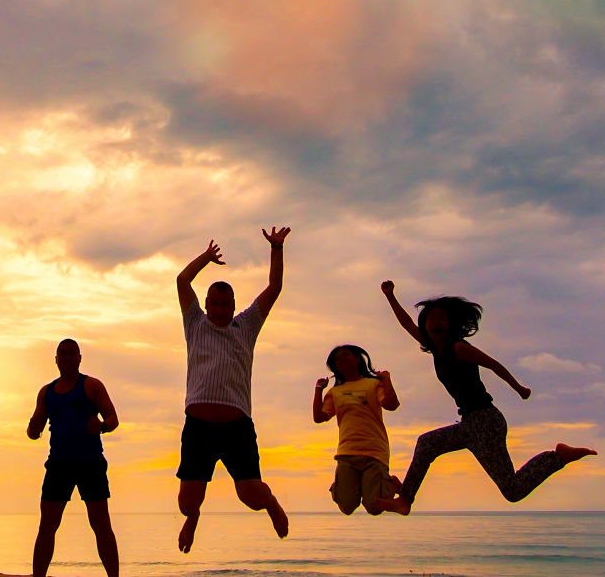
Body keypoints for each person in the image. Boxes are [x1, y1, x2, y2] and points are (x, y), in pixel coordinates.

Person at [376, 281, 595, 514]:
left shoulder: (459, 348)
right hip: (473, 423)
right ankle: (406, 497)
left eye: (441, 318)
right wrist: (390, 296)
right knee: (507, 487)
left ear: (450, 324)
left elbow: (493, 365)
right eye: (431, 318)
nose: (436, 322)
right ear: (425, 324)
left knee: (508, 488)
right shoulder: (434, 347)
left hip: (485, 421)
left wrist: (519, 388)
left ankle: (558, 457)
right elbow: (407, 323)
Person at [173, 228, 291, 553]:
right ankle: (193, 518)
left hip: (236, 428)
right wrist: (206, 258)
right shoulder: (195, 323)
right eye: (214, 304)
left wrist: (277, 248)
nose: (220, 309)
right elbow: (182, 281)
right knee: (187, 504)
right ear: (206, 304)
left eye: (225, 305)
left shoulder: (246, 326)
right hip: (198, 428)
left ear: (233, 306)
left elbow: (274, 287)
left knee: (251, 497)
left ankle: (271, 503)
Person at [27, 338, 120, 577]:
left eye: (72, 353)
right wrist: (33, 427)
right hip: (58, 465)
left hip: (90, 463)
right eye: (63, 354)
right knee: (47, 526)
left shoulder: (92, 385)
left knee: (101, 525)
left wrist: (101, 427)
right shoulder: (46, 392)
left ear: (79, 358)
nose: (67, 357)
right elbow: (33, 430)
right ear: (56, 359)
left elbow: (112, 418)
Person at [312, 344, 400, 515]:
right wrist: (318, 390)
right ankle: (345, 485)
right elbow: (319, 417)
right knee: (346, 507)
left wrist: (386, 379)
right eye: (337, 359)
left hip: (374, 451)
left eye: (345, 355)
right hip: (347, 451)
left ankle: (391, 484)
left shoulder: (373, 384)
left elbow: (392, 405)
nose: (341, 360)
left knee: (374, 508)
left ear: (357, 359)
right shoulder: (335, 392)